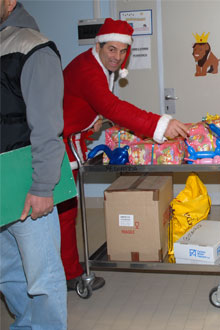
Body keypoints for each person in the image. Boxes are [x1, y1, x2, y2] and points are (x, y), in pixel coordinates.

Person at [58, 18, 189, 292]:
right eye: (111, 50)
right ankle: (68, 274)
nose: (117, 57)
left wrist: (92, 120)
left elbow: (93, 104)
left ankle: (66, 266)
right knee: (65, 213)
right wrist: (160, 124)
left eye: (122, 51)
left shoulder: (95, 64)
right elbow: (111, 105)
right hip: (59, 146)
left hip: (73, 140)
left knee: (66, 212)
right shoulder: (88, 70)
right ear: (99, 46)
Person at [0, 1, 68, 330]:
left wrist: (43, 186)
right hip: (0, 189)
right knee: (8, 272)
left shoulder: (33, 47)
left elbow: (46, 127)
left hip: (27, 186)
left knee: (42, 276)